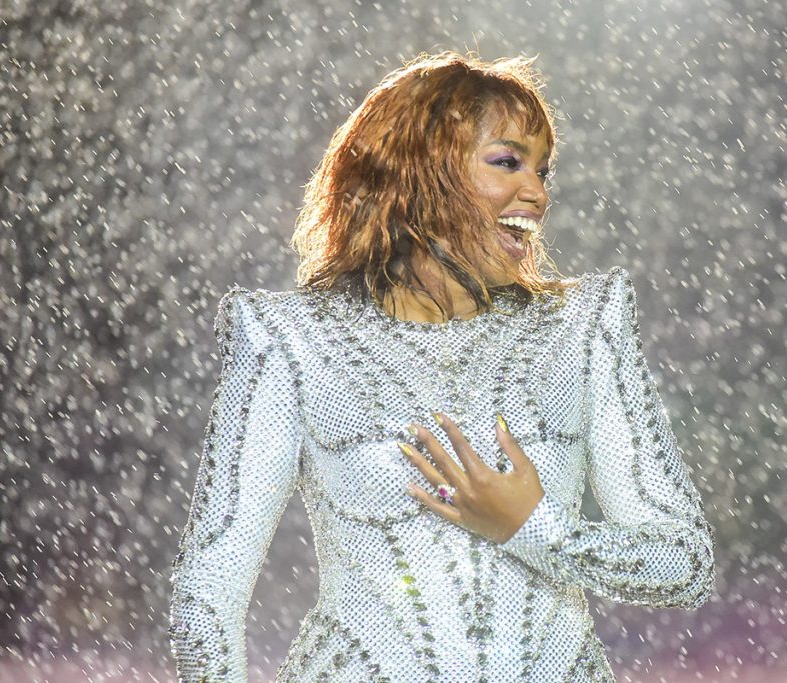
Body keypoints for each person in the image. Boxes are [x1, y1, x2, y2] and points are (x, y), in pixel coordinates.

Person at [168, 50, 715, 683]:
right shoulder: (292, 340)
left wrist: (535, 531)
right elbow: (208, 593)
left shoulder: (582, 326)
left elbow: (684, 562)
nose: (536, 192)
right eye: (507, 162)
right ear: (418, 171)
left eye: (542, 170)